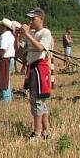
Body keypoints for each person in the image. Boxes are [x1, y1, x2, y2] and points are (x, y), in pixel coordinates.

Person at [19, 7, 53, 141]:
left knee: (37, 100)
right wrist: (19, 36)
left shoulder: (45, 33)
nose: (30, 21)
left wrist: (27, 34)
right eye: (29, 19)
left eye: (33, 18)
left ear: (41, 19)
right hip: (32, 67)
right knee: (39, 100)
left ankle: (37, 132)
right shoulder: (31, 33)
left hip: (40, 68)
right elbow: (20, 51)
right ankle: (46, 130)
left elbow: (40, 48)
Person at [0, 19, 17, 102]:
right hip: (6, 59)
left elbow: (3, 49)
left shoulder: (5, 36)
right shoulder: (9, 35)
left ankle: (6, 100)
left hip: (4, 60)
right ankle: (5, 99)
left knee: (4, 81)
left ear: (4, 27)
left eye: (1, 25)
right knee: (5, 80)